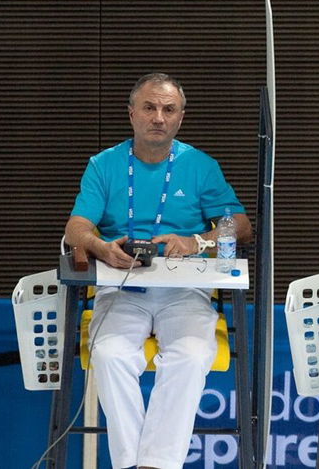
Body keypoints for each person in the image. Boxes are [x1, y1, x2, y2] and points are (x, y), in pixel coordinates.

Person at [63, 73, 253, 469]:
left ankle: (152, 465)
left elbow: (241, 225)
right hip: (122, 285)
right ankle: (136, 464)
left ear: (180, 118)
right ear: (132, 113)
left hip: (185, 289)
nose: (158, 117)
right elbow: (76, 228)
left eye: (169, 110)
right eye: (149, 108)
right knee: (109, 354)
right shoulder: (104, 165)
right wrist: (100, 245)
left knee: (192, 354)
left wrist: (198, 241)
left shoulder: (200, 165)